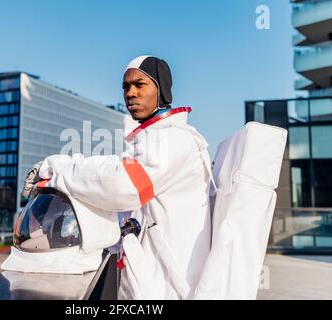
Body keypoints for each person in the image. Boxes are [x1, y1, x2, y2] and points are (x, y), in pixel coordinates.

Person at [20, 55, 213, 299]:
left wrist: (57, 168)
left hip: (169, 288)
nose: (130, 93)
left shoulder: (175, 138)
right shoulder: (153, 140)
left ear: (161, 89)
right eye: (126, 86)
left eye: (140, 84)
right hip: (150, 282)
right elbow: (115, 175)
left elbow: (124, 186)